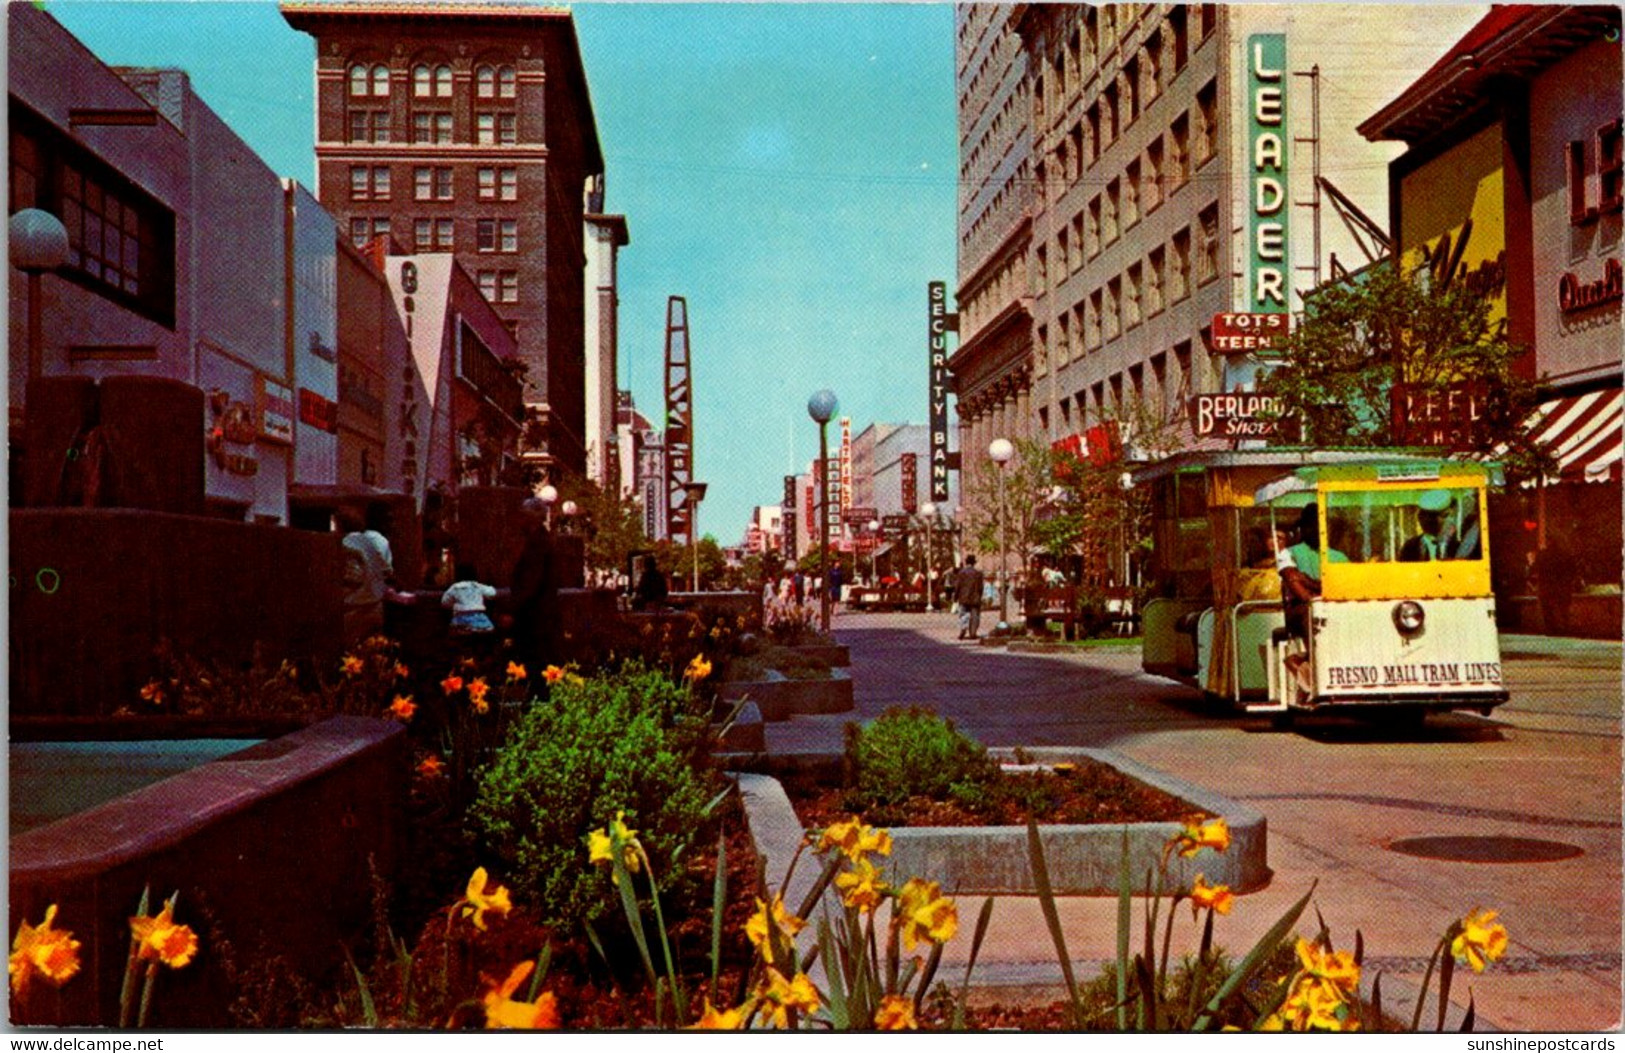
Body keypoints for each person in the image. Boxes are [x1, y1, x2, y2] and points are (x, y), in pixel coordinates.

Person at [510, 497, 559, 669]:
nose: (520, 520)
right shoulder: (539, 540)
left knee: (535, 666)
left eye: (523, 516)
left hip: (534, 617)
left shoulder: (538, 543)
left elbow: (531, 581)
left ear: (532, 518)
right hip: (537, 615)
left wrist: (513, 608)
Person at [338, 506, 393, 646]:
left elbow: (353, 577)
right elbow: (387, 570)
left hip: (355, 608)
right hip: (376, 606)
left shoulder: (345, 543)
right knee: (374, 653)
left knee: (352, 655)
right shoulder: (370, 542)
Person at [442, 562, 497, 636]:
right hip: (478, 618)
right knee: (486, 633)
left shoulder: (455, 587)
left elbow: (445, 602)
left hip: (460, 618)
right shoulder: (477, 586)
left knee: (454, 635)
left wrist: (453, 605)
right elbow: (492, 593)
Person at [1399, 490, 1452, 562]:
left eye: (1444, 516)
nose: (1432, 521)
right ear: (1420, 518)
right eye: (1429, 516)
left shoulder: (1456, 546)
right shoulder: (1409, 548)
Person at [952, 555, 986, 640]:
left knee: (963, 614)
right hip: (975, 597)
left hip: (963, 597)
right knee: (975, 616)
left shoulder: (961, 573)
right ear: (974, 563)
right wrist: (980, 595)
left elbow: (958, 586)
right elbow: (981, 587)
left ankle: (963, 627)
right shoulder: (978, 573)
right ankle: (973, 632)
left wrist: (955, 597)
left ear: (966, 562)